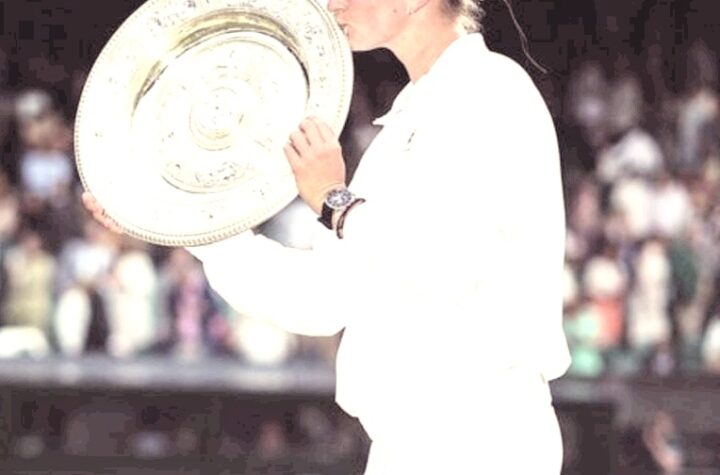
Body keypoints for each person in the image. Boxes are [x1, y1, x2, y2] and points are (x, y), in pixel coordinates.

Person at [85, 0, 570, 472]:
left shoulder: (490, 90)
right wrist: (177, 217)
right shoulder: (405, 122)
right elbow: (322, 298)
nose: (330, 5)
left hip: (479, 436)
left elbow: (451, 267)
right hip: (406, 445)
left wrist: (335, 202)